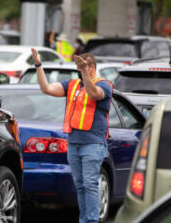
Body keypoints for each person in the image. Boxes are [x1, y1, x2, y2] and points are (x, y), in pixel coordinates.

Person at [31, 48, 112, 223]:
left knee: (90, 184)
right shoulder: (72, 85)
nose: (79, 70)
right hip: (74, 143)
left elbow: (93, 94)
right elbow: (46, 88)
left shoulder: (104, 84)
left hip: (93, 144)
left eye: (83, 66)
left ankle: (90, 221)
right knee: (80, 185)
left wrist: (84, 73)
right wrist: (38, 64)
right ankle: (84, 219)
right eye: (78, 67)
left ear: (91, 67)